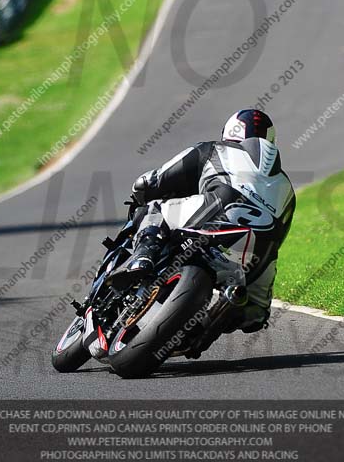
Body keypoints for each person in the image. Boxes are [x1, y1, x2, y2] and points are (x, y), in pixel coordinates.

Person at [108, 109, 296, 333]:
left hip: (215, 215)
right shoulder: (288, 189)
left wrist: (141, 191)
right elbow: (279, 238)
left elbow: (152, 181)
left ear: (228, 132)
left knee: (155, 209)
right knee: (255, 315)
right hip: (258, 250)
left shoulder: (214, 148)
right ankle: (223, 317)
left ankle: (143, 257)